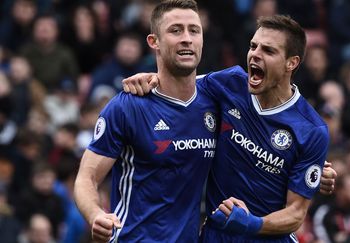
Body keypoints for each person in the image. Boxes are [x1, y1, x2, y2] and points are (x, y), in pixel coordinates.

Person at [123, 13, 334, 242]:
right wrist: (151, 78)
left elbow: (295, 215)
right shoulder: (229, 83)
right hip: (216, 235)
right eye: (254, 46)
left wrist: (250, 223)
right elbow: (181, 86)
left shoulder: (311, 130)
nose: (255, 54)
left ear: (291, 63)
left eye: (268, 51)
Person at [74, 1, 218, 242]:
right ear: (154, 42)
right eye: (175, 30)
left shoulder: (216, 99)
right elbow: (86, 177)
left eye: (194, 30)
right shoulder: (127, 106)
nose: (187, 38)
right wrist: (95, 214)